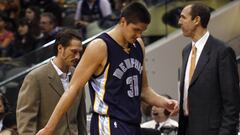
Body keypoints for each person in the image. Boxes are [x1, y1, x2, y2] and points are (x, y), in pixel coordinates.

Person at [36, 2, 178, 135]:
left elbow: (144, 90)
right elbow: (73, 89)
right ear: (123, 22)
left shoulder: (138, 45)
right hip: (108, 123)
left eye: (142, 31)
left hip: (133, 123)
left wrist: (164, 102)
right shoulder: (100, 46)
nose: (139, 35)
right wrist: (50, 127)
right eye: (136, 29)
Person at [177, 2, 240, 135]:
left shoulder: (222, 52)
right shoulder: (186, 51)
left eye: (183, 17)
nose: (179, 22)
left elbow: (231, 103)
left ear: (196, 20)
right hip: (187, 129)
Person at [16, 29, 87, 135]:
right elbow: (26, 119)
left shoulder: (77, 75)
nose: (77, 56)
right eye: (73, 51)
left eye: (79, 52)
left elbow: (81, 118)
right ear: (60, 48)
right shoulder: (35, 77)